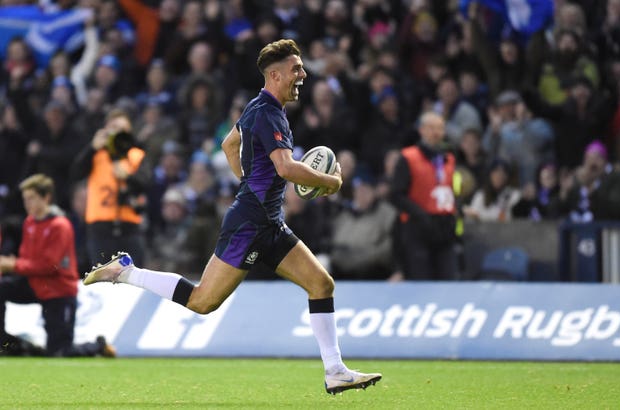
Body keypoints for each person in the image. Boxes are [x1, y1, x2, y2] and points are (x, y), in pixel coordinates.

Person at [83, 39, 381, 394]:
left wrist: (249, 182)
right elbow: (285, 167)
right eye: (295, 69)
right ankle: (126, 272)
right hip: (249, 224)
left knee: (321, 284)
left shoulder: (259, 108)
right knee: (202, 302)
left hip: (267, 220)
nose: (302, 75)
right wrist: (329, 182)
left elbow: (229, 145)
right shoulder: (268, 112)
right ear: (275, 74)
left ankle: (335, 371)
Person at [0, 174, 115, 357]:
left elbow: (49, 265)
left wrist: (13, 265)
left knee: (60, 351)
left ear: (46, 198)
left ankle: (97, 347)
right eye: (25, 199)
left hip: (58, 290)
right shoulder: (29, 223)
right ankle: (5, 343)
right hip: (36, 285)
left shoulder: (60, 225)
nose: (27, 204)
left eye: (31, 198)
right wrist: (15, 265)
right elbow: (28, 258)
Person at [70, 108, 150, 266]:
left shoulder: (136, 154)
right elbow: (75, 173)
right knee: (103, 282)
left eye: (123, 130)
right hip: (100, 228)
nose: (118, 133)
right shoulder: (96, 154)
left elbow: (147, 182)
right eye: (114, 128)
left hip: (130, 226)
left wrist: (128, 177)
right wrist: (92, 148)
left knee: (134, 280)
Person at [389, 112, 459, 280]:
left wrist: (457, 210)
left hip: (445, 227)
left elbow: (451, 190)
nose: (436, 133)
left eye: (440, 128)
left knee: (449, 280)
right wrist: (421, 214)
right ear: (421, 130)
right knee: (421, 281)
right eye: (431, 128)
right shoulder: (408, 157)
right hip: (417, 228)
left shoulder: (448, 159)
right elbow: (396, 194)